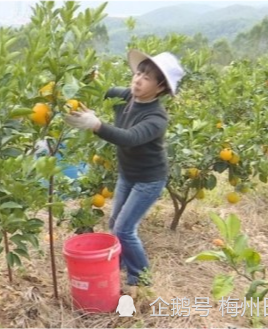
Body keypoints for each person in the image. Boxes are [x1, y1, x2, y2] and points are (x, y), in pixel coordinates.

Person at [64, 49, 185, 292]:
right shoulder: (126, 97)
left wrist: (96, 124)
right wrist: (78, 78)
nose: (138, 79)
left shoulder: (156, 118)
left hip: (149, 180)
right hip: (127, 174)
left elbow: (129, 138)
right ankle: (117, 264)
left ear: (160, 88)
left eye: (148, 78)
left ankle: (140, 277)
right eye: (139, 72)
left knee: (124, 228)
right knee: (114, 221)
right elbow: (98, 91)